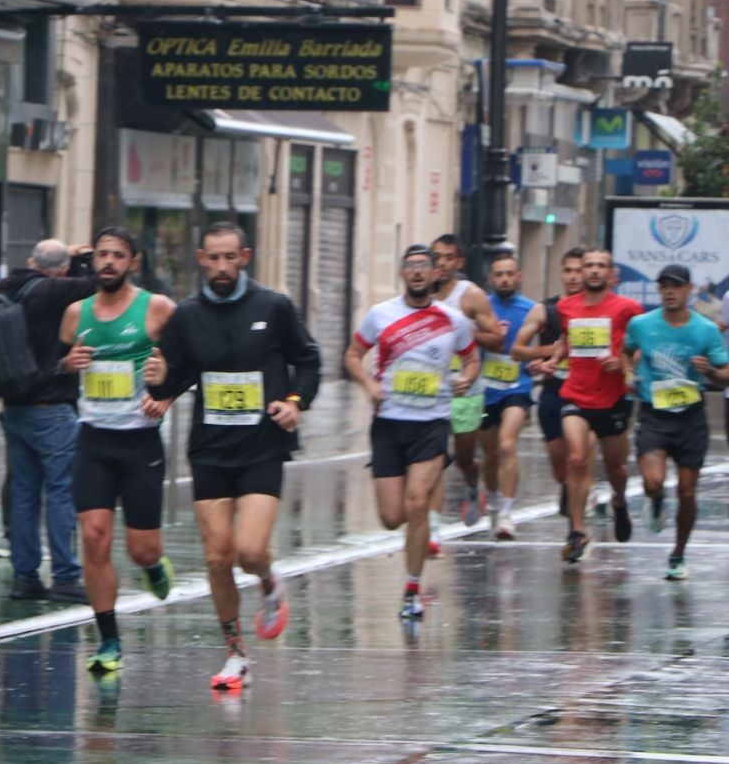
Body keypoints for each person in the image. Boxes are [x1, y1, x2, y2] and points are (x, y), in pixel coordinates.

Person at [144, 222, 320, 690]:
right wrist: (159, 382)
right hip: (210, 448)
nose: (222, 267)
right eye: (213, 258)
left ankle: (268, 581)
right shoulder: (187, 315)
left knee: (249, 550)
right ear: (201, 258)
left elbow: (308, 359)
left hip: (262, 445)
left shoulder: (274, 307)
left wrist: (295, 402)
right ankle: (235, 653)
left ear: (245, 256)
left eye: (230, 258)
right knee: (218, 557)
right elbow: (174, 373)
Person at [57, 227, 178, 673]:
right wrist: (65, 365)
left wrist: (166, 388)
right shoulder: (75, 315)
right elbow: (54, 369)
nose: (108, 262)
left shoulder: (157, 309)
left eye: (118, 255)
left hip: (139, 441)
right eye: (102, 254)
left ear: (133, 262)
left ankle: (152, 565)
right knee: (93, 537)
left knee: (141, 548)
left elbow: (190, 357)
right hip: (93, 439)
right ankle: (109, 640)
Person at [346, 246, 481, 620]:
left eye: (425, 266)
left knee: (418, 504)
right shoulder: (380, 315)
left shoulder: (453, 320)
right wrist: (368, 386)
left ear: (436, 274)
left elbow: (472, 359)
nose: (418, 272)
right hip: (389, 422)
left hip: (431, 423)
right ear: (403, 274)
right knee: (392, 517)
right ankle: (417, 534)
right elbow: (353, 356)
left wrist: (467, 379)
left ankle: (411, 590)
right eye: (411, 267)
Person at [0, 239, 98, 604]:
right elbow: (100, 283)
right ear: (64, 270)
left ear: (30, 262)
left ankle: (25, 576)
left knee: (24, 493)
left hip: (14, 406)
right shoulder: (56, 291)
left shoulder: (7, 288)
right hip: (51, 404)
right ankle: (66, 575)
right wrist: (84, 257)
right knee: (60, 490)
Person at [623, 264, 729, 581]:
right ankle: (655, 501)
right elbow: (625, 351)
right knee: (653, 481)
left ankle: (678, 554)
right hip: (654, 414)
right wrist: (628, 374)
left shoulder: (706, 330)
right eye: (664, 286)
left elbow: (726, 374)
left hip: (690, 418)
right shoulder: (641, 324)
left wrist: (709, 371)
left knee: (686, 491)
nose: (669, 291)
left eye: (676, 286)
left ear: (689, 289)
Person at [555, 247, 643, 563]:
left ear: (610, 273)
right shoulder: (566, 307)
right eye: (587, 266)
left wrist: (623, 364)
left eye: (599, 266)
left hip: (613, 398)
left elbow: (641, 346)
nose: (592, 271)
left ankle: (619, 501)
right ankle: (577, 531)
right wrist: (553, 359)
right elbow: (567, 342)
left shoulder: (627, 308)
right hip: (576, 394)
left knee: (616, 468)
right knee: (577, 457)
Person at [429, 234, 505, 524]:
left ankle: (473, 485)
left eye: (449, 258)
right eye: (437, 258)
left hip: (466, 388)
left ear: (459, 262)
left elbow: (497, 339)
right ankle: (432, 525)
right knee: (433, 457)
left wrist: (462, 333)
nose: (442, 264)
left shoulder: (470, 295)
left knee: (463, 459)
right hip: (431, 390)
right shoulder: (421, 294)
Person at [513, 247, 585, 520]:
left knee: (579, 458)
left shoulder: (599, 310)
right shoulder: (545, 310)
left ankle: (577, 529)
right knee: (561, 466)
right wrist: (545, 356)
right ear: (561, 273)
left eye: (579, 270)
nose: (574, 277)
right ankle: (568, 488)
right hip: (554, 392)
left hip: (585, 397)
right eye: (568, 270)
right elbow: (517, 351)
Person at [477, 253, 536, 540]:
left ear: (518, 277)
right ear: (490, 279)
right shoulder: (481, 307)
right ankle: (493, 499)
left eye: (509, 274)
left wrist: (539, 362)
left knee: (507, 444)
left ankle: (507, 513)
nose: (504, 279)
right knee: (489, 455)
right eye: (498, 274)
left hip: (518, 386)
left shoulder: (531, 309)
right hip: (485, 390)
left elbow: (546, 345)